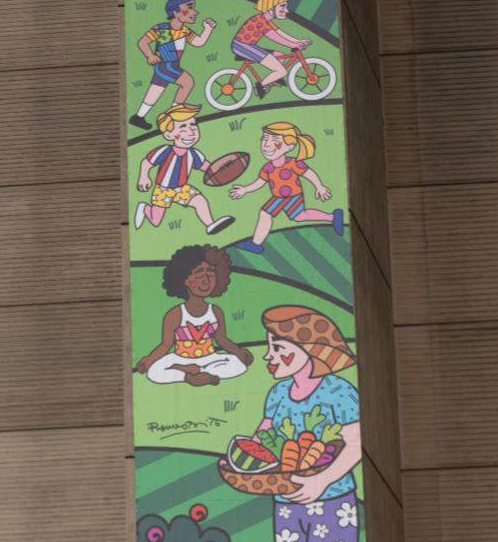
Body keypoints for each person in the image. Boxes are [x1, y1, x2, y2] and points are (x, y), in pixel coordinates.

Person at [256, 304, 363, 542]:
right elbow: (262, 438)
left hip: (332, 501)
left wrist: (321, 481)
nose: (268, 355)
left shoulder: (339, 391)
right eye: (269, 347)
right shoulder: (278, 393)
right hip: (285, 503)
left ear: (309, 348)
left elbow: (355, 444)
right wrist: (241, 460)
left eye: (278, 348)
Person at [134, 244, 252, 388]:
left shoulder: (215, 311)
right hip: (181, 359)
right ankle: (188, 376)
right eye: (199, 274)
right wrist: (149, 360)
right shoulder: (175, 314)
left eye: (211, 273)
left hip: (209, 359)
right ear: (184, 279)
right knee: (154, 371)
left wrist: (239, 352)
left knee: (237, 365)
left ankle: (199, 373)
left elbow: (222, 340)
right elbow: (166, 345)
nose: (206, 280)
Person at [229, 119, 343, 253]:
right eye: (264, 139)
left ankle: (256, 244)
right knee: (299, 216)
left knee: (266, 213)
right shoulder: (267, 168)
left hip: (291, 196)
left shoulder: (293, 163)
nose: (266, 144)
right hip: (280, 196)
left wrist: (319, 186)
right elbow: (260, 182)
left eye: (275, 140)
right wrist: (245, 189)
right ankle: (333, 217)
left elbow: (308, 173)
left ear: (290, 146)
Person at [136, 106, 234, 235]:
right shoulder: (165, 150)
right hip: (163, 189)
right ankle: (145, 208)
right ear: (169, 135)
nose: (191, 131)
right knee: (155, 221)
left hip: (182, 188)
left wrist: (223, 170)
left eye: (193, 125)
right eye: (183, 127)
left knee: (200, 201)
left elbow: (207, 167)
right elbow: (147, 162)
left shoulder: (194, 154)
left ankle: (210, 224)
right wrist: (144, 177)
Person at [131, 0, 215, 127]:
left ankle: (138, 117)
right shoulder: (161, 29)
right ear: (175, 12)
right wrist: (150, 56)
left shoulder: (185, 31)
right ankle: (174, 115)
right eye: (190, 7)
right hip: (165, 65)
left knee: (155, 91)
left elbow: (199, 42)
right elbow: (143, 42)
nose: (195, 12)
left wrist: (208, 29)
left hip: (172, 65)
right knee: (187, 82)